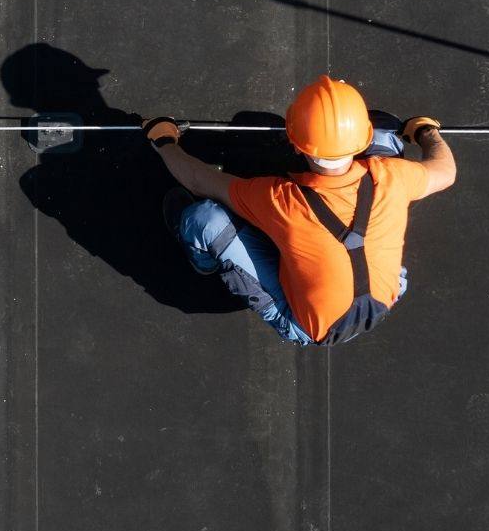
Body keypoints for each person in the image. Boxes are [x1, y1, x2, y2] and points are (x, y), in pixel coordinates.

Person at [143, 75, 455, 345]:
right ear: (360, 140)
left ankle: (204, 261)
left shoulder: (278, 199)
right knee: (387, 135)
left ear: (296, 144)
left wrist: (164, 141)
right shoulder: (394, 176)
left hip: (309, 326)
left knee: (205, 220)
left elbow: (199, 180)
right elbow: (445, 171)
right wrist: (426, 132)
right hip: (382, 298)